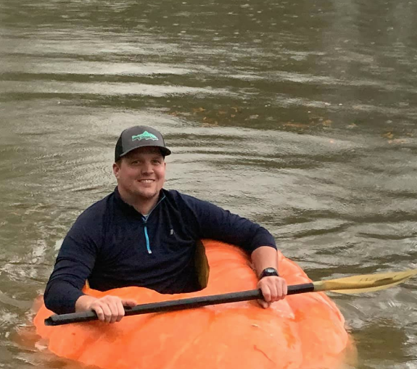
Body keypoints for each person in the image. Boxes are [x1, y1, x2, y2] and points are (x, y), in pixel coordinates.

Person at [43, 125, 288, 323]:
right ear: (117, 170)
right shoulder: (94, 223)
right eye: (136, 162)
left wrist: (268, 274)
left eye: (155, 161)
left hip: (189, 320)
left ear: (164, 168)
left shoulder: (185, 209)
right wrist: (93, 303)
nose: (148, 170)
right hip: (127, 324)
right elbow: (58, 289)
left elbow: (255, 234)